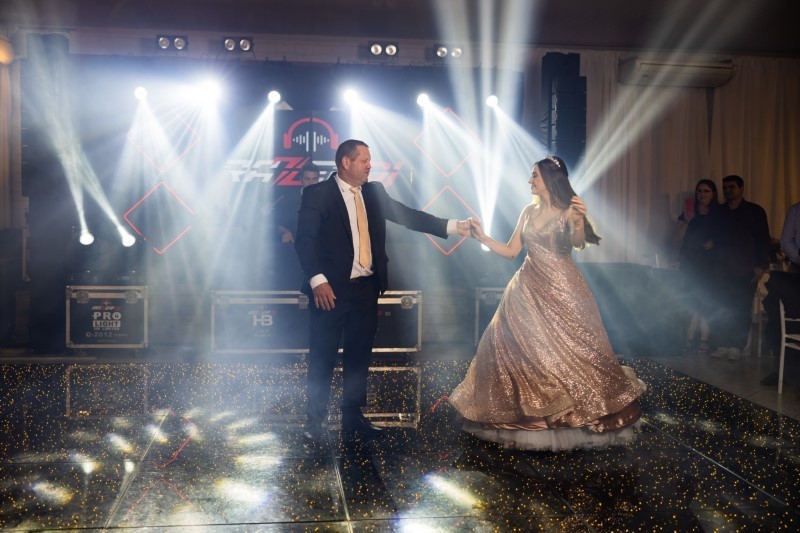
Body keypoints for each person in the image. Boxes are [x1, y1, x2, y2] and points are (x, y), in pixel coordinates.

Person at [448, 155, 646, 451]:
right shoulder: (528, 211)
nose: (530, 180)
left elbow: (577, 242)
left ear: (549, 180)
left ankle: (576, 412)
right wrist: (482, 237)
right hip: (527, 289)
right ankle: (528, 413)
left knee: (574, 350)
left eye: (535, 176)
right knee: (511, 345)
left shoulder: (568, 212)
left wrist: (577, 222)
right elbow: (512, 251)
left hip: (562, 290)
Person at [295, 139, 470, 444]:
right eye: (364, 160)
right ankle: (314, 420)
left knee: (359, 355)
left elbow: (408, 216)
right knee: (322, 356)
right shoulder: (318, 193)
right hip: (329, 291)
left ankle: (353, 417)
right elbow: (305, 240)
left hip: (365, 289)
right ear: (346, 163)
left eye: (369, 160)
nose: (369, 165)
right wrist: (317, 280)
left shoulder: (374, 192)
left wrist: (453, 226)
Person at [709, 175, 771, 360]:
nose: (728, 191)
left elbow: (763, 240)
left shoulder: (755, 211)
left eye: (732, 187)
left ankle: (736, 345)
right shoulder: (718, 212)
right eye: (725, 188)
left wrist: (760, 265)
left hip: (745, 268)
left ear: (741, 188)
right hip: (721, 268)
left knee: (741, 307)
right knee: (721, 306)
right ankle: (721, 343)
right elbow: (712, 236)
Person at [676, 180, 721, 356]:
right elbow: (677, 238)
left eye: (706, 191)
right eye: (699, 191)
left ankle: (700, 340)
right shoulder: (689, 213)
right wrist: (687, 221)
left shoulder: (718, 214)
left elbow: (727, 237)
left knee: (705, 302)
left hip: (711, 264)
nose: (702, 194)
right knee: (693, 302)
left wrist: (714, 243)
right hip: (691, 263)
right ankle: (693, 339)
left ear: (713, 193)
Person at [760, 201, 800, 386]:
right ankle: (780, 369)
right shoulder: (796, 210)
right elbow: (786, 241)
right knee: (781, 312)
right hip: (797, 267)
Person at [277, 162, 321, 244]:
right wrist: (285, 232)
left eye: (314, 179)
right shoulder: (289, 201)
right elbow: (278, 224)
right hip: (295, 247)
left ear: (318, 180)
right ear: (301, 180)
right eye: (307, 179)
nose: (311, 183)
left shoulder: (327, 201)